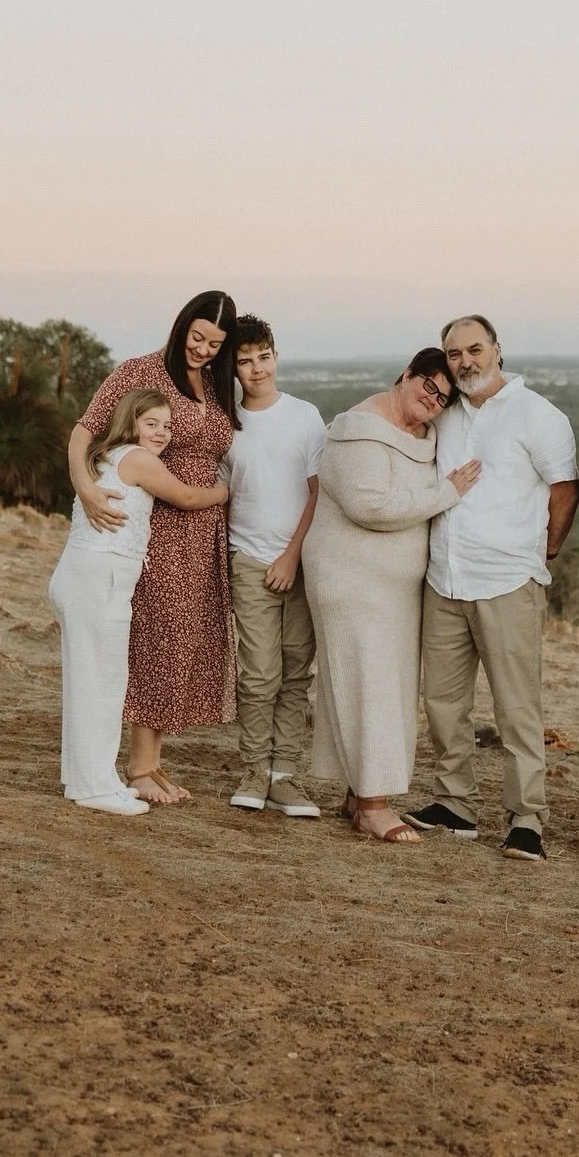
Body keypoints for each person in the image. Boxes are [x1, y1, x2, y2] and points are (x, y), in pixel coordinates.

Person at [403, 315, 579, 861]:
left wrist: (544, 552)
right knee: (443, 702)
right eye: (454, 354)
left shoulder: (538, 415)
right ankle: (454, 803)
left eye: (475, 350)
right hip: (444, 578)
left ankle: (526, 818)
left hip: (507, 581)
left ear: (498, 350)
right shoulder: (446, 413)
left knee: (516, 708)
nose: (465, 362)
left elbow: (565, 491)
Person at [302, 349, 481, 843]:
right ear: (406, 374)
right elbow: (369, 505)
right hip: (351, 581)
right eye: (428, 385)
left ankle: (359, 793)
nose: (432, 399)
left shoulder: (423, 436)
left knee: (385, 685)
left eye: (442, 398)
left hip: (395, 591)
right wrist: (447, 493)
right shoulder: (358, 430)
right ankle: (373, 807)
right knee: (370, 684)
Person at [70, 290, 239, 805]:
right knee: (156, 639)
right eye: (197, 337)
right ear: (182, 325)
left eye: (215, 344)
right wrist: (84, 486)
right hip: (160, 525)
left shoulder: (215, 384)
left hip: (202, 534)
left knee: (181, 641)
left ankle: (151, 761)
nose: (203, 350)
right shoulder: (139, 371)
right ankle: (139, 766)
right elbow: (83, 431)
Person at [48, 390, 229, 815]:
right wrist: (224, 492)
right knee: (102, 684)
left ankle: (87, 779)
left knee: (91, 682)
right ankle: (94, 787)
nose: (162, 433)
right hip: (100, 579)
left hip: (87, 577)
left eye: (168, 426)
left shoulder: (105, 455)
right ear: (130, 423)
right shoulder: (137, 459)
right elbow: (186, 497)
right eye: (152, 424)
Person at [223, 315, 327, 817]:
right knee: (259, 674)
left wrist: (291, 556)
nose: (257, 368)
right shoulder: (226, 424)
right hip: (249, 560)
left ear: (276, 357)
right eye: (245, 361)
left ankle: (285, 776)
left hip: (301, 562)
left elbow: (319, 494)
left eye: (263, 357)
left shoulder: (305, 416)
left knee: (295, 672)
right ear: (233, 367)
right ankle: (254, 769)